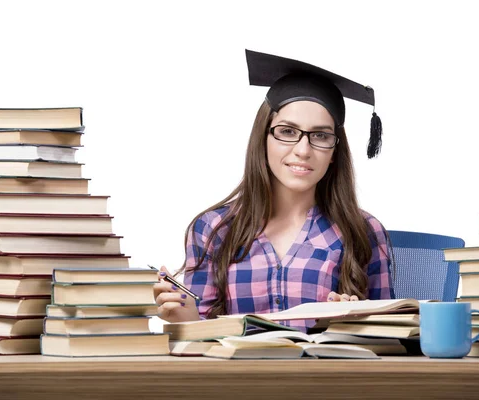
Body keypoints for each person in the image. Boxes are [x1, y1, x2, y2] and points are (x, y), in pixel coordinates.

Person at [153, 49, 394, 332]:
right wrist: (188, 321)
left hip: (324, 374)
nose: (303, 150)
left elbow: (392, 335)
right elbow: (200, 340)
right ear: (263, 137)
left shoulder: (363, 230)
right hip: (239, 375)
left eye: (320, 136)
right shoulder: (213, 229)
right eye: (288, 132)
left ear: (335, 151)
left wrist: (354, 326)